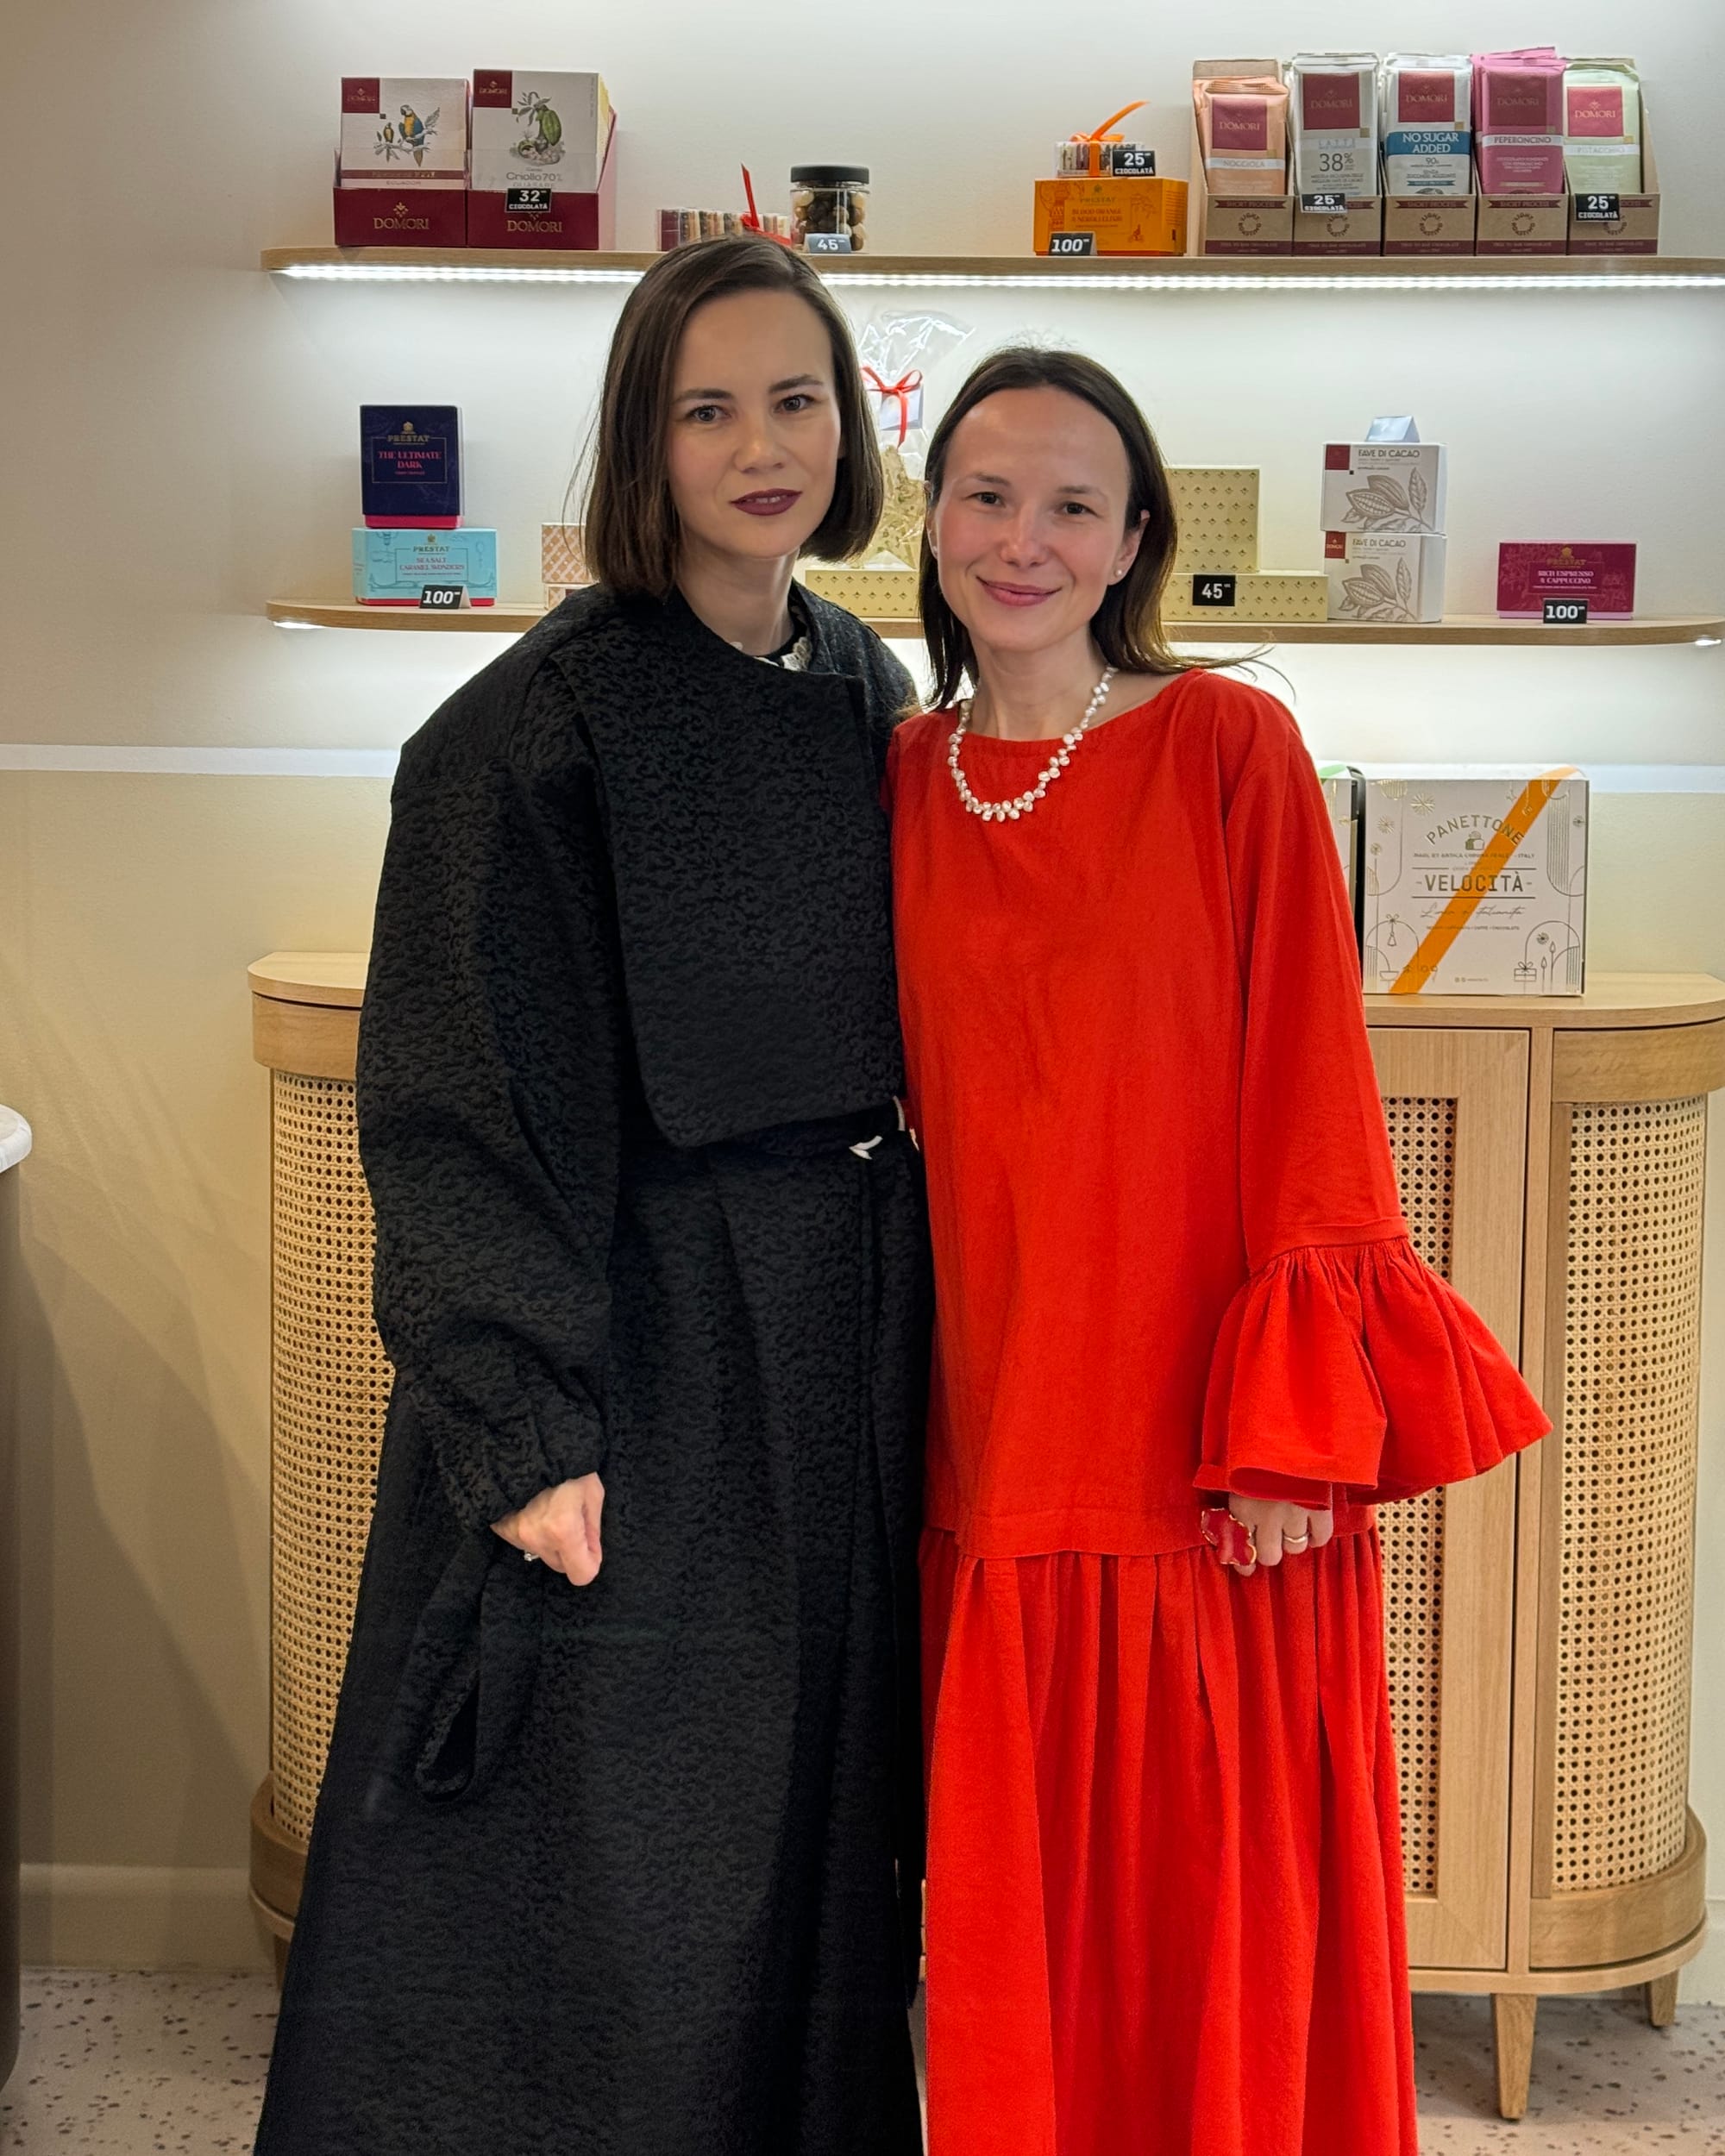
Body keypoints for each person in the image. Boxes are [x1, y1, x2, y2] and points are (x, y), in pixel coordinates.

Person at [254, 235, 929, 2156]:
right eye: (708, 409)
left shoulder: (860, 677)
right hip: (636, 1355)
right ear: (645, 441)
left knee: (811, 1836)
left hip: (837, 1342)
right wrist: (523, 1430)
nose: (761, 447)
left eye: (795, 399)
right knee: (617, 1866)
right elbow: (454, 1099)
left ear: (848, 425)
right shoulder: (526, 730)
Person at [885, 347, 1551, 2156]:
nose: (1022, 539)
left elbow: (1311, 1083)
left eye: (1072, 505)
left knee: (1210, 1938)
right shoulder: (898, 776)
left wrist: (1285, 1432)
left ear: (1132, 544)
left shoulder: (1223, 745)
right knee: (1027, 1958)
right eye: (986, 496)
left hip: (1200, 1451)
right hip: (991, 1437)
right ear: (931, 522)